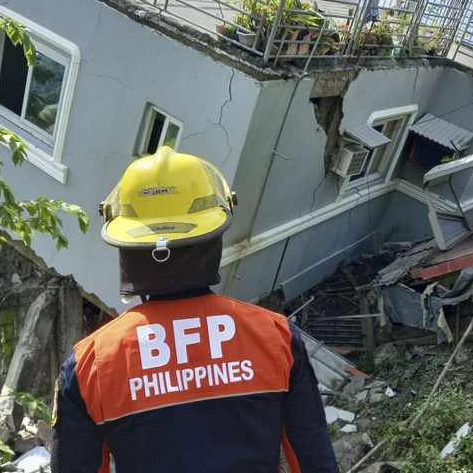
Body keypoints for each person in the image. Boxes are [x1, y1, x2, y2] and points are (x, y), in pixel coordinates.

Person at [51, 147, 338, 472]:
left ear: (128, 247)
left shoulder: (90, 365)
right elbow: (314, 461)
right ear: (213, 236)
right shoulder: (277, 339)